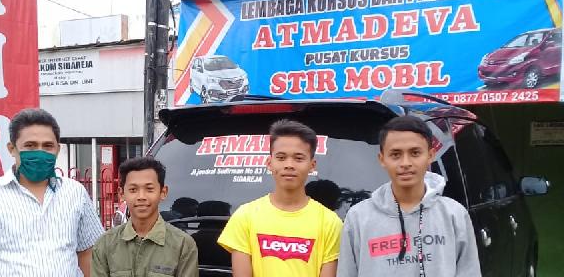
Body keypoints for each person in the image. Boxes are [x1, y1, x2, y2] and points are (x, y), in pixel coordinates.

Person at [0, 108, 104, 276]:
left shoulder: (76, 193)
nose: (40, 153)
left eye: (48, 146)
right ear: (12, 149)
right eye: (30, 146)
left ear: (58, 149)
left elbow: (88, 255)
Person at [336, 116, 481, 277]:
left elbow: (470, 271)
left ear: (430, 155)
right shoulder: (358, 218)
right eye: (395, 154)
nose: (405, 163)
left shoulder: (454, 214)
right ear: (382, 159)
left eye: (415, 153)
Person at [218, 119, 343, 277]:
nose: (289, 165)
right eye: (281, 157)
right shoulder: (245, 216)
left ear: (312, 165)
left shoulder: (330, 223)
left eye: (298, 158)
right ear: (269, 163)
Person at [92, 156, 199, 277]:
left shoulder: (183, 245)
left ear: (163, 192)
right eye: (133, 189)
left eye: (149, 189)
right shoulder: (105, 245)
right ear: (121, 194)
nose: (141, 197)